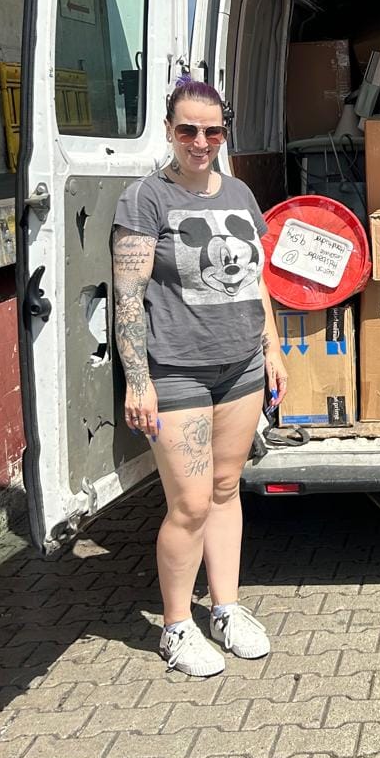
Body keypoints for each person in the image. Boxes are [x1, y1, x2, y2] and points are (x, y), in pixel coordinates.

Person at [111, 76, 289, 676]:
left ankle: (226, 609)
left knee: (225, 489)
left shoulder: (238, 192)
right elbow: (128, 298)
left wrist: (272, 348)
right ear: (168, 130)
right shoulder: (146, 199)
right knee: (188, 504)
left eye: (212, 131)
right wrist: (138, 380)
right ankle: (176, 627)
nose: (200, 141)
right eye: (187, 129)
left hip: (241, 367)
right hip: (177, 373)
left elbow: (256, 280)